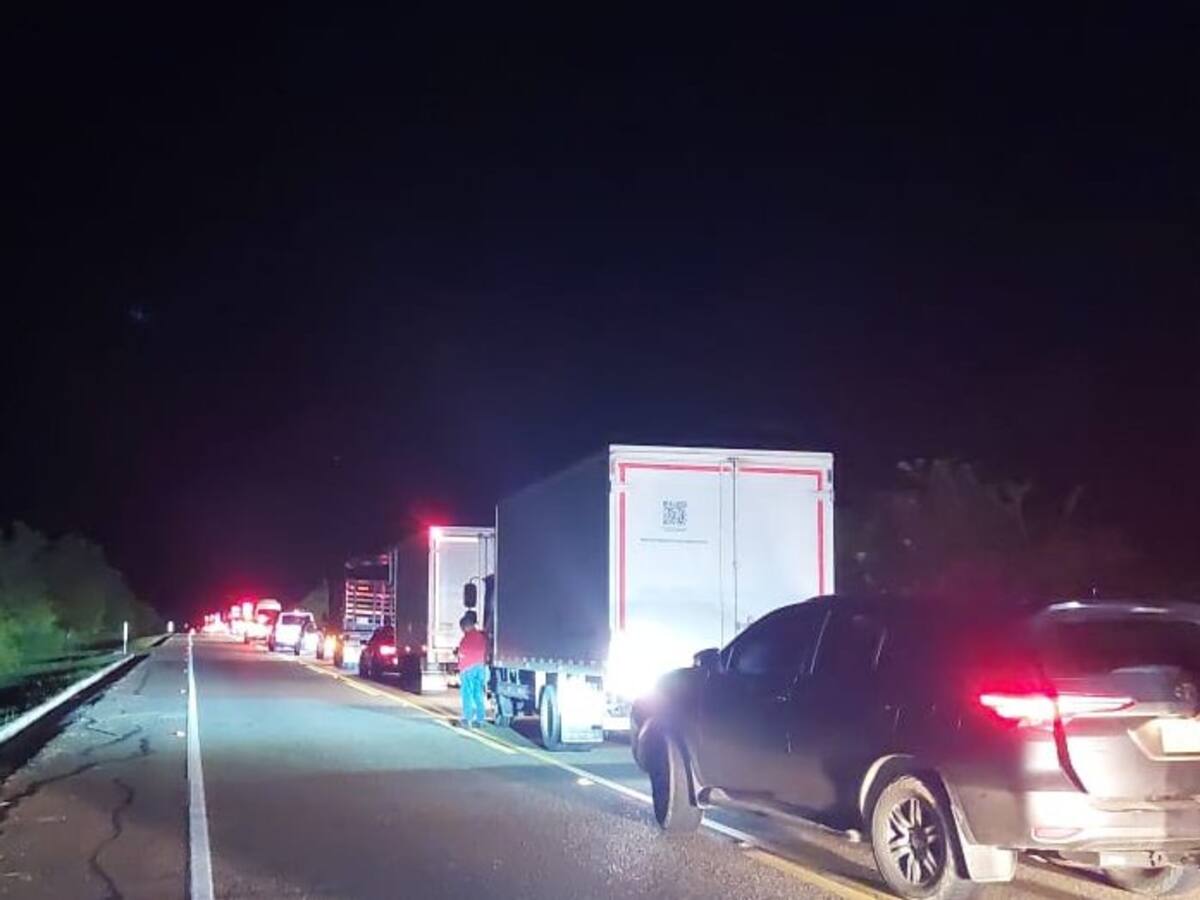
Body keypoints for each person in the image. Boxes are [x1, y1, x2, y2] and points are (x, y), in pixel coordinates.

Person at [456, 611, 488, 728]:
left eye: (462, 627)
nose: (462, 630)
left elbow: (463, 653)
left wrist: (458, 655)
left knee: (467, 694)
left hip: (468, 668)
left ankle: (467, 719)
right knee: (478, 694)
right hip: (480, 667)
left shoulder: (467, 638)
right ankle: (480, 720)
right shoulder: (481, 637)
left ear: (466, 625)